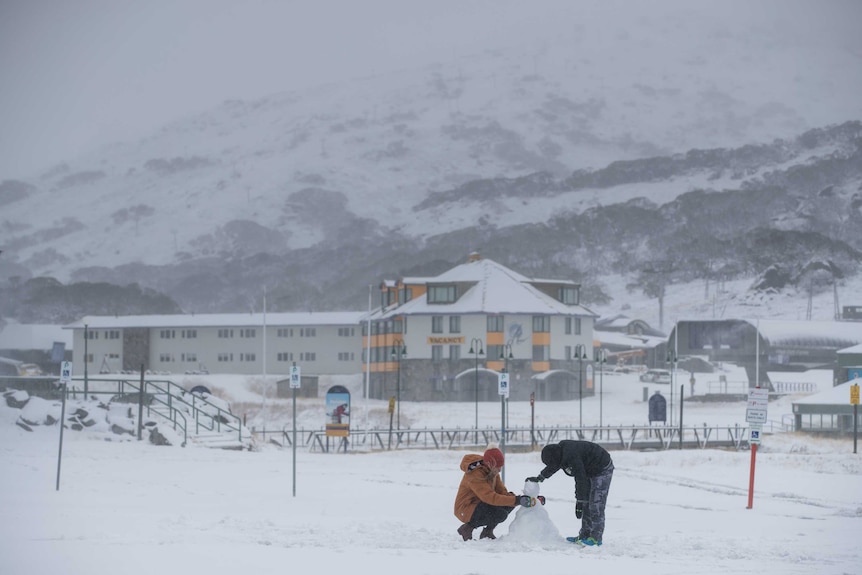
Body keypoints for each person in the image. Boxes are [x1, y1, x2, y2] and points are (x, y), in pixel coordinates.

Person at [526, 440, 614, 546]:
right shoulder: (560, 453)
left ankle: (596, 538)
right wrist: (540, 477)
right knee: (587, 503)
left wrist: (579, 501)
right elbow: (554, 465)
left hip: (602, 468)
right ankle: (584, 535)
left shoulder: (572, 455)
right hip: (589, 469)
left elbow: (580, 479)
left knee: (596, 504)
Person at [454, 447, 536, 540]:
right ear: (489, 464)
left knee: (509, 503)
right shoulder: (475, 474)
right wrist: (516, 500)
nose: (500, 470)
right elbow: (489, 497)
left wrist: (518, 499)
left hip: (479, 504)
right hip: (465, 508)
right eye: (498, 467)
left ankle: (487, 532)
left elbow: (502, 492)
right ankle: (467, 528)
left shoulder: (492, 471)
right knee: (500, 514)